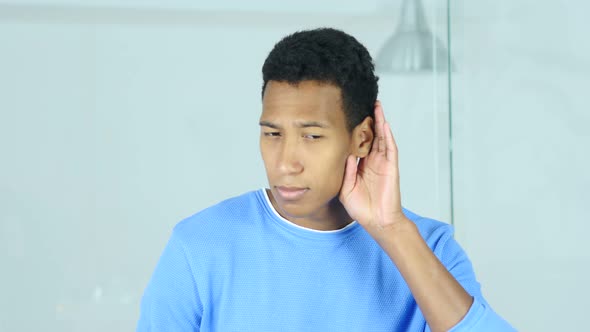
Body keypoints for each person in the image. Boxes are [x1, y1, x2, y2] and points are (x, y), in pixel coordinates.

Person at [137, 28, 515, 331]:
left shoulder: (429, 248)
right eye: (272, 134)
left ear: (362, 138)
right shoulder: (199, 246)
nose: (286, 162)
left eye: (312, 136)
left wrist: (391, 230)